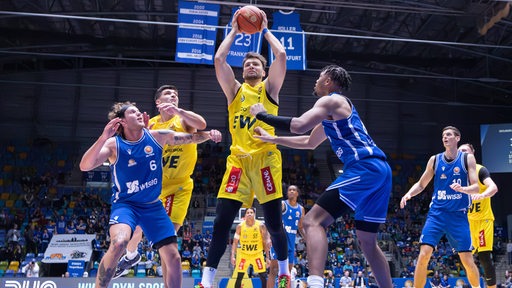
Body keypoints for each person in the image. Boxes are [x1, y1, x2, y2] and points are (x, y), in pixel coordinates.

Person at [249, 65, 393, 288]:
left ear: (328, 80)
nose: (315, 81)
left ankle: (315, 283)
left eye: (319, 77)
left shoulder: (331, 100)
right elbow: (308, 142)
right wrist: (272, 139)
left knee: (312, 221)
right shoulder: (335, 113)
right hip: (380, 172)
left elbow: (298, 126)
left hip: (365, 167)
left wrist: (262, 115)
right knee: (367, 243)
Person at [79, 101, 221, 288]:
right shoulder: (114, 144)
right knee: (119, 242)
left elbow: (190, 138)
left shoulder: (156, 136)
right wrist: (103, 137)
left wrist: (209, 135)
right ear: (121, 121)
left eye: (139, 111)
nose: (140, 114)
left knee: (173, 258)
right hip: (126, 206)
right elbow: (85, 166)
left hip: (153, 207)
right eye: (133, 112)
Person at [196, 6, 290, 288]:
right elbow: (218, 58)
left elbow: (282, 56)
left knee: (273, 223)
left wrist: (264, 30)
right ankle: (207, 279)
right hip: (237, 162)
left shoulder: (269, 89)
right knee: (222, 221)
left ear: (263, 71)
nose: (251, 66)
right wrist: (235, 32)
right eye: (247, 64)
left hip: (264, 160)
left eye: (256, 64)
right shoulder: (234, 91)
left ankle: (284, 272)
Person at [113, 84, 208, 278]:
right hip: (153, 184)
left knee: (168, 240)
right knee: (136, 227)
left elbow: (201, 124)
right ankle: (131, 255)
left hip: (178, 186)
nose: (173, 96)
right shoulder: (150, 125)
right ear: (158, 102)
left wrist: (179, 111)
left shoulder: (183, 119)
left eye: (176, 94)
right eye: (168, 94)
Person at [400, 126, 481, 288]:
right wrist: (409, 194)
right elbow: (421, 184)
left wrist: (463, 189)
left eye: (449, 135)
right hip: (437, 214)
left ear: (457, 138)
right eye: (443, 135)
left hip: (458, 216)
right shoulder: (435, 160)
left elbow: (476, 188)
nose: (445, 137)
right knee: (423, 255)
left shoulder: (467, 159)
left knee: (467, 259)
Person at [458, 143, 499, 288]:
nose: (462, 153)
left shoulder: (480, 170)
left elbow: (493, 187)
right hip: (467, 223)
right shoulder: (456, 174)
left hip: (483, 220)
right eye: (460, 151)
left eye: (465, 150)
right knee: (464, 258)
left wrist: (482, 195)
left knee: (484, 257)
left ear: (472, 153)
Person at [268, 184, 306, 288]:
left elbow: (300, 226)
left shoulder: (301, 209)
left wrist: (307, 239)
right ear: (287, 193)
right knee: (274, 270)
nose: (291, 191)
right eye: (290, 190)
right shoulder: (282, 204)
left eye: (294, 190)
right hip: (278, 242)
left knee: (287, 272)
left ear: (297, 193)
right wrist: (268, 237)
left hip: (290, 244)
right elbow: (272, 220)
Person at [230, 207, 270, 288]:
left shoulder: (260, 225)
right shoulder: (240, 226)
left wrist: (268, 257)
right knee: (239, 276)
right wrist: (232, 256)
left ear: (254, 214)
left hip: (257, 254)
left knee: (263, 275)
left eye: (251, 212)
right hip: (244, 254)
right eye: (247, 212)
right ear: (245, 215)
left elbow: (265, 242)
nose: (249, 214)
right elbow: (235, 242)